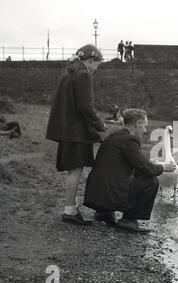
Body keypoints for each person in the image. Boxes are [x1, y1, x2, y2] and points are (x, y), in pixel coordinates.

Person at [84, 108, 176, 233]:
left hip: (95, 195)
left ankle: (103, 213)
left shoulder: (114, 136)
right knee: (151, 181)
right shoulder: (129, 139)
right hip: (108, 194)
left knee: (136, 176)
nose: (145, 131)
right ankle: (129, 220)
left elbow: (134, 167)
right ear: (137, 124)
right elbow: (145, 169)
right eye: (144, 126)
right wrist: (164, 167)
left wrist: (149, 165)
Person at [46, 44, 107, 226]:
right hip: (76, 132)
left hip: (68, 130)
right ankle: (69, 211)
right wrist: (99, 123)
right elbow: (85, 106)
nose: (96, 69)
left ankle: (72, 207)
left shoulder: (69, 72)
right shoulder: (84, 75)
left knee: (74, 169)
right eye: (97, 64)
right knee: (76, 170)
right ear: (90, 60)